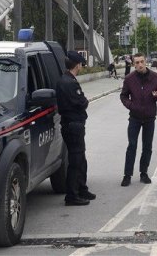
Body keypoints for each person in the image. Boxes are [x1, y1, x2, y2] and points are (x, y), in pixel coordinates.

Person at [56, 50, 96, 206]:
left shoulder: (65, 79)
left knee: (81, 159)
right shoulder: (70, 83)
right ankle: (72, 195)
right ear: (77, 65)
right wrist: (84, 100)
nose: (81, 67)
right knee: (75, 161)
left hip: (73, 125)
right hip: (73, 125)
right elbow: (82, 102)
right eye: (80, 64)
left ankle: (81, 188)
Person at [119, 52, 157, 186]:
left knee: (147, 146)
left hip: (150, 117)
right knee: (132, 145)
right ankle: (127, 175)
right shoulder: (129, 79)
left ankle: (144, 173)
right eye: (137, 62)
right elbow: (123, 96)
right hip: (135, 118)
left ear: (146, 62)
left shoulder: (155, 77)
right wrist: (131, 106)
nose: (139, 65)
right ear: (133, 64)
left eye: (142, 62)